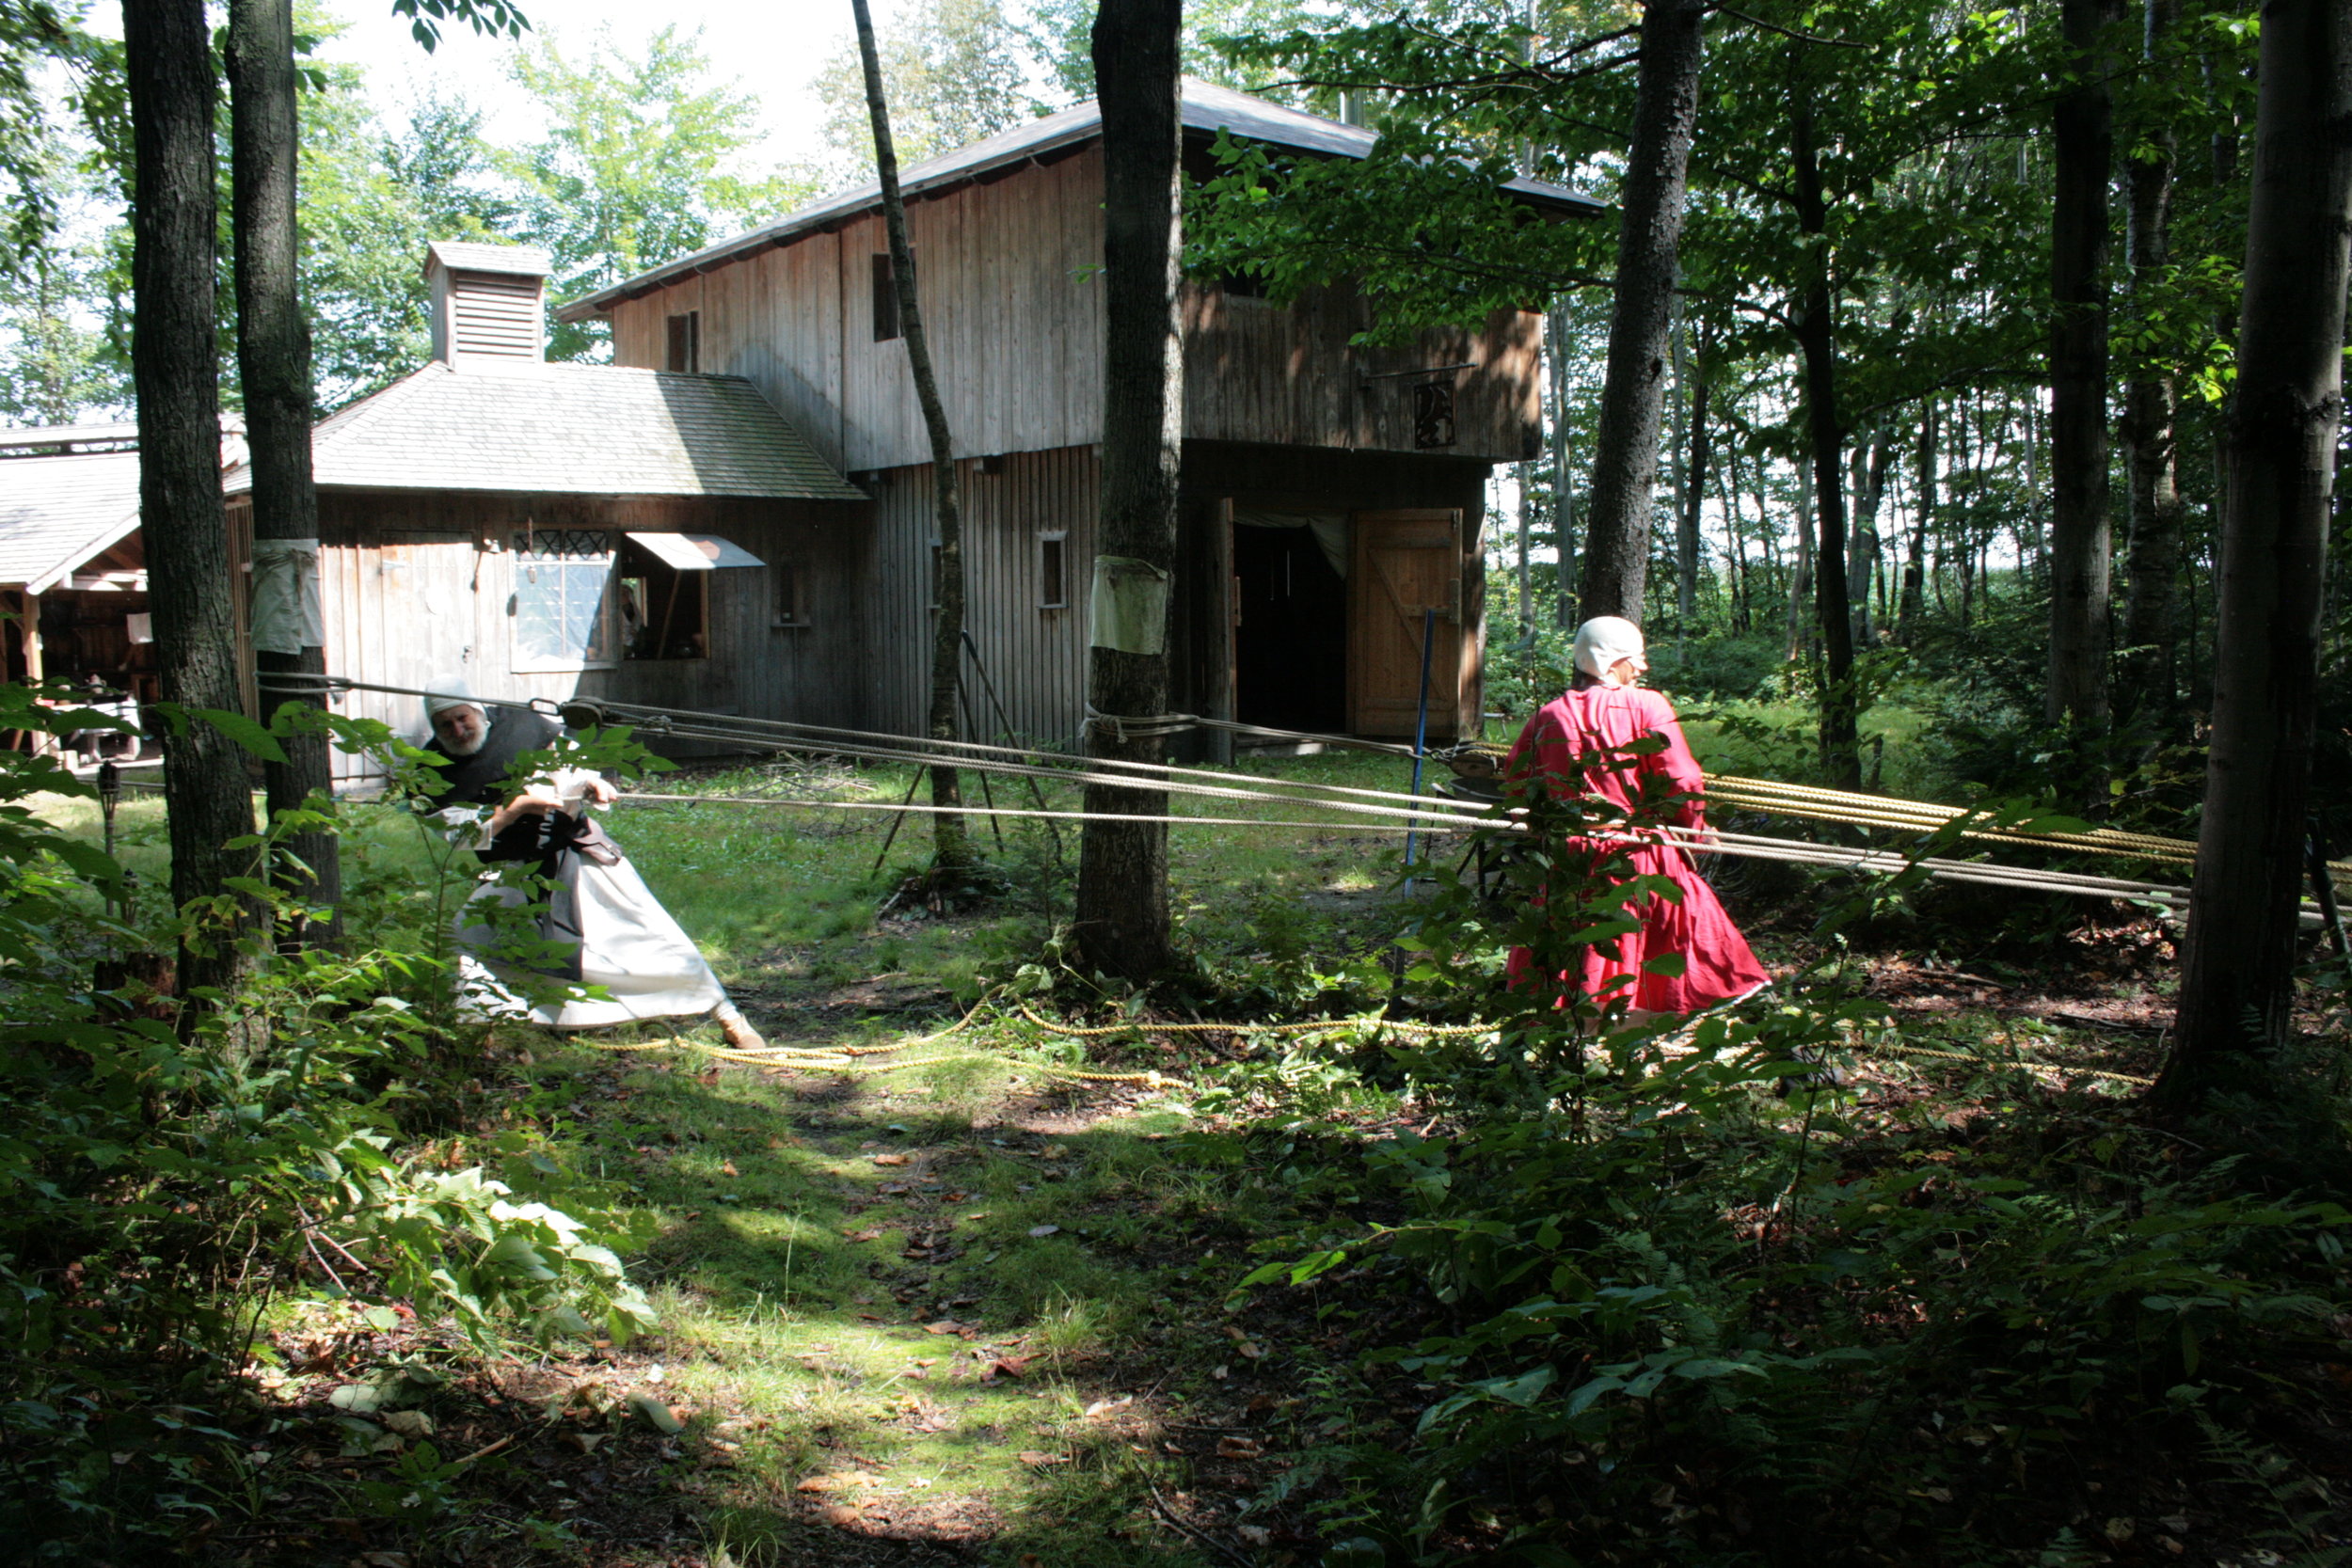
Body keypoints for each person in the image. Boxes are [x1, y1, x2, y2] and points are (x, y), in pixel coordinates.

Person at [418, 687, 766, 1049]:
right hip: (513, 869)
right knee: (469, 937)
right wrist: (517, 808)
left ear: (478, 712)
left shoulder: (522, 725)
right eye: (445, 726)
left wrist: (591, 783)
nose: (458, 731)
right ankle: (491, 1031)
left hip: (575, 852)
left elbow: (570, 769)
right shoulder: (432, 769)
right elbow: (458, 837)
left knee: (650, 934)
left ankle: (728, 1016)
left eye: (463, 719)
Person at [1503, 615, 1771, 1019]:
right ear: (1612, 661)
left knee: (1577, 938)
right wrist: (1694, 830)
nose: (1643, 667)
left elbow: (1518, 778)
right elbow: (1681, 778)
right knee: (1694, 929)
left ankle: (1578, 1032)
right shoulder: (1648, 704)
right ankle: (1762, 1024)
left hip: (1571, 856)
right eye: (1636, 657)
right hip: (1638, 849)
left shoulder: (1549, 714)